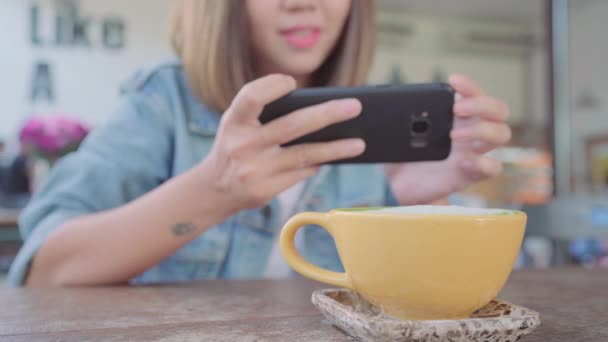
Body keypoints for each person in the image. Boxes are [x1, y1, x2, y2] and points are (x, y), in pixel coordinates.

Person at [8, 0, 511, 287]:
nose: (304, 2)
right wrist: (215, 190)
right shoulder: (162, 102)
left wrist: (402, 199)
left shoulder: (365, 124)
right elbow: (44, 271)